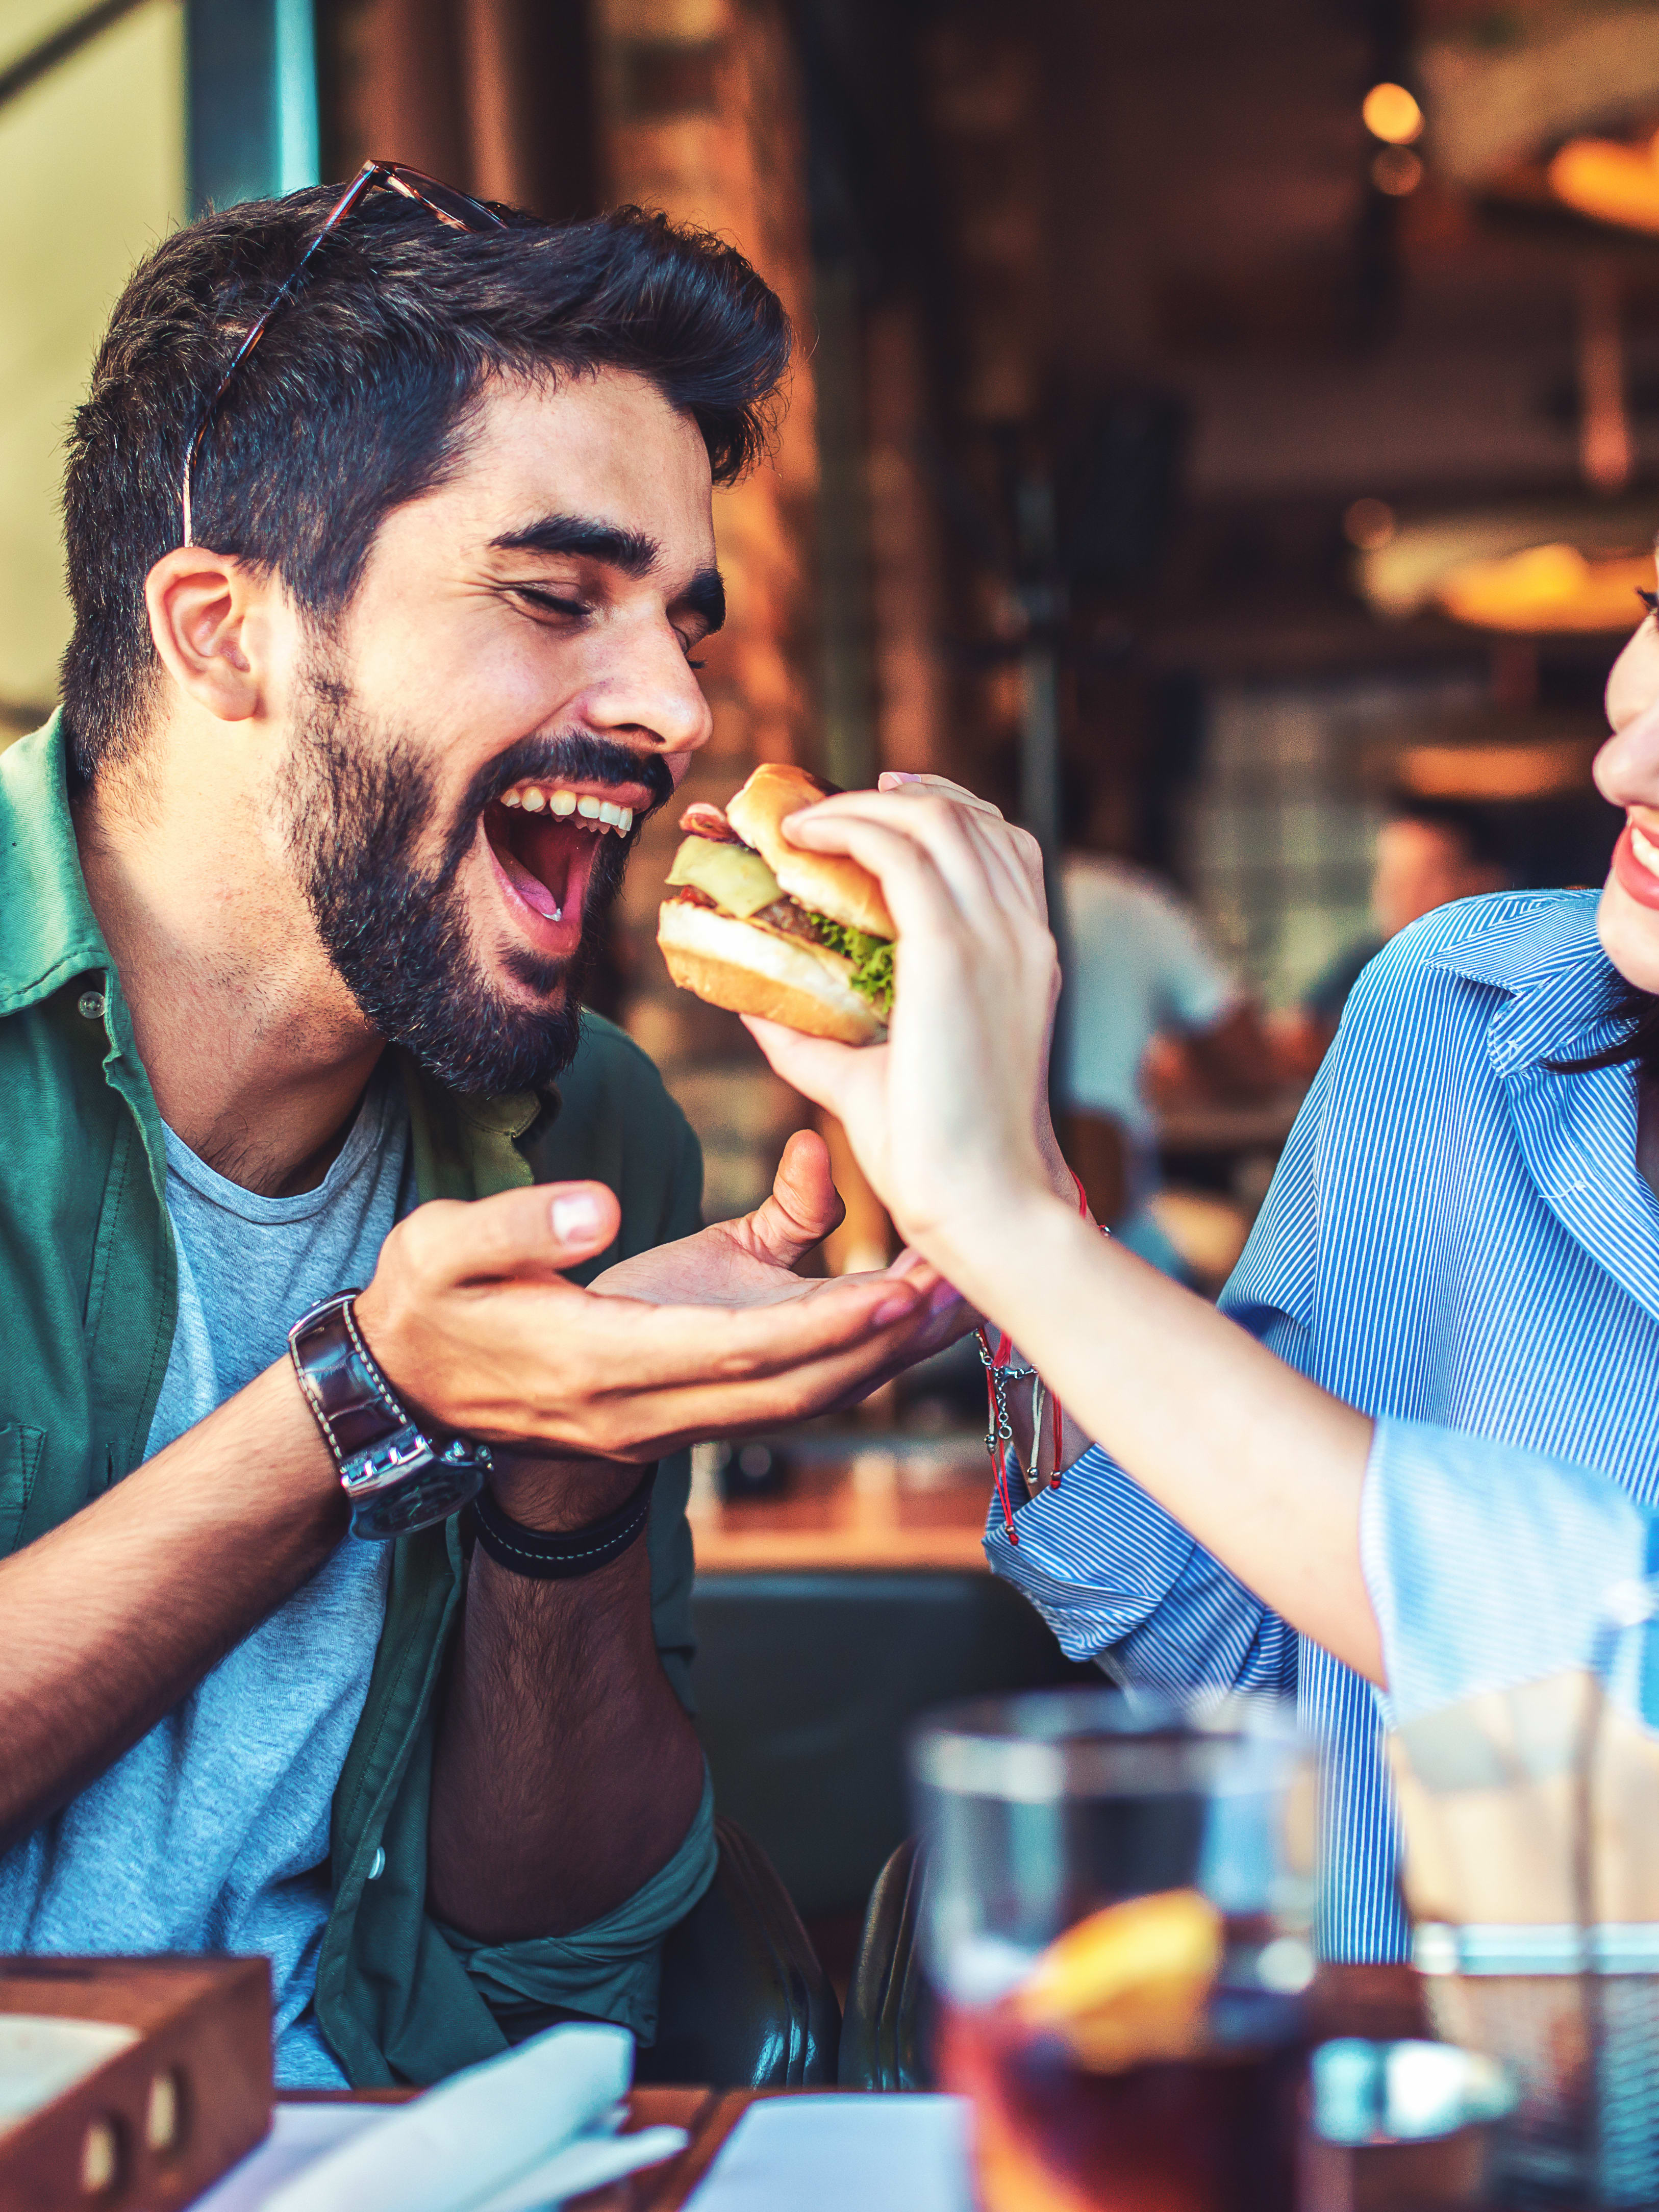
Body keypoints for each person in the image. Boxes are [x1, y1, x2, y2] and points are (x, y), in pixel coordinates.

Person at [0, 175, 962, 2088]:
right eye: (552, 597)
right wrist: (364, 1398)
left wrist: (567, 1463)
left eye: (682, 624)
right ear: (224, 633)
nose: (677, 705)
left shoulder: (590, 1129)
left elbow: (561, 1943)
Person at [751, 569, 1659, 1965]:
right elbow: (1248, 1651)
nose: (1623, 748)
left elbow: (1600, 1688)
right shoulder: (1448, 1015)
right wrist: (1002, 1215)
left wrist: (1009, 1223)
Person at [1056, 830, 1275, 1272]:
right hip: (1110, 1221)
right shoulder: (1128, 901)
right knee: (1251, 1241)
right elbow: (1249, 1066)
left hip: (955, 1229)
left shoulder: (946, 901)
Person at [1297, 793, 1512, 1052]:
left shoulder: (1513, 977)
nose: (1397, 895)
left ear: (1487, 882)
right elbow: (1303, 1033)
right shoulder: (1369, 960)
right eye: (1389, 877)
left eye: (1422, 879)